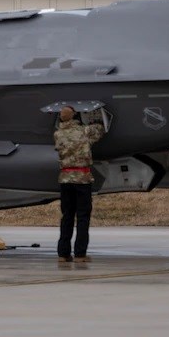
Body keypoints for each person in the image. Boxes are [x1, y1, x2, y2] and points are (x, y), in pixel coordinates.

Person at [52, 105, 104, 264]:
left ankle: (63, 254)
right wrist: (95, 117)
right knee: (82, 217)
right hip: (82, 178)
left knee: (67, 216)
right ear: (75, 116)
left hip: (65, 179)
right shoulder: (84, 131)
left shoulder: (58, 134)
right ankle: (80, 254)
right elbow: (100, 129)